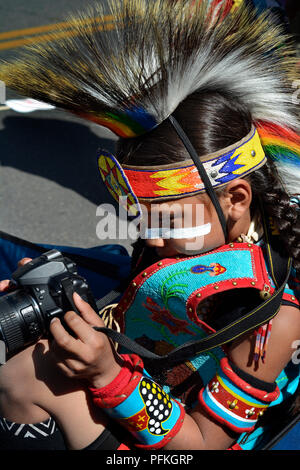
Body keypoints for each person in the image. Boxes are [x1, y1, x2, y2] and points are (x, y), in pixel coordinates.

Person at [0, 0, 299, 450]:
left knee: (24, 378)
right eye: (140, 217)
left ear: (236, 199)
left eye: (168, 219)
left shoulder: (272, 320)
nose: (151, 237)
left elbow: (203, 445)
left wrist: (110, 376)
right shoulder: (186, 239)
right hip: (142, 372)